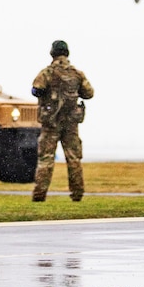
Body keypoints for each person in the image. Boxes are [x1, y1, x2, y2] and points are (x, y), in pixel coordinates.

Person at [30, 40, 94, 202]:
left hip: (51, 123)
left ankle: (39, 195)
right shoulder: (77, 74)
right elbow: (89, 93)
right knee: (74, 159)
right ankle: (77, 194)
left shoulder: (47, 73)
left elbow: (36, 90)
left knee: (46, 158)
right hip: (71, 123)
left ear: (52, 53)